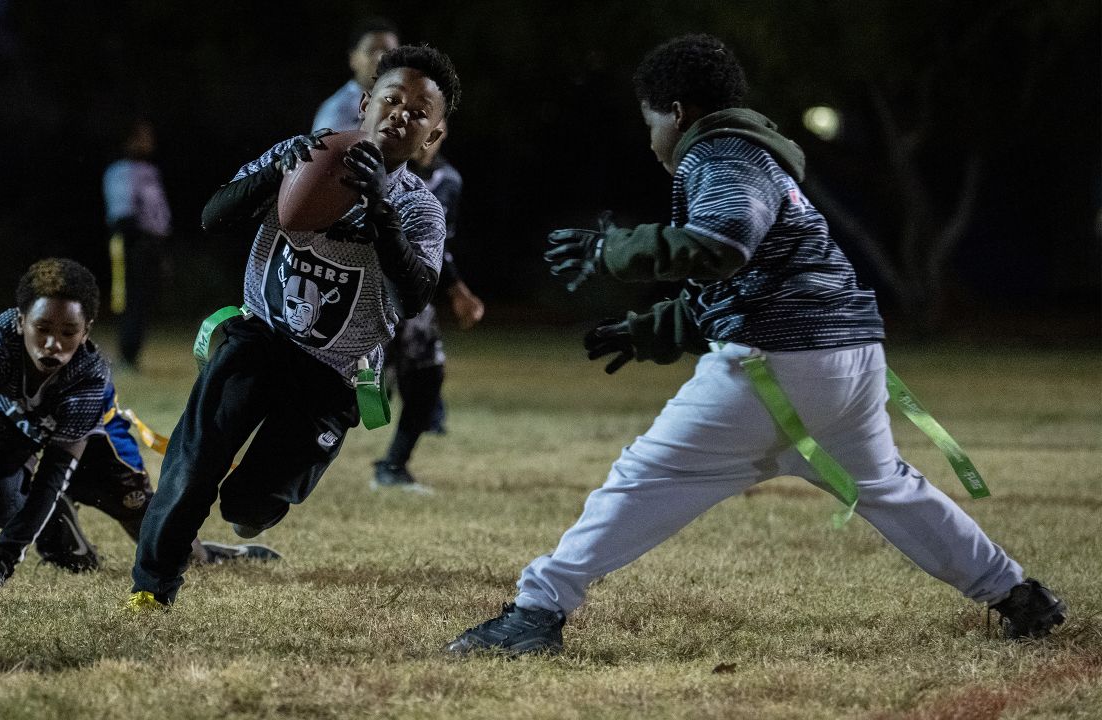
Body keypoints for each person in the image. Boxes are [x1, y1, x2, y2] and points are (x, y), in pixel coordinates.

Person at [445, 34, 1066, 655]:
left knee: (643, 478)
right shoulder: (759, 158)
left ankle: (536, 613)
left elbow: (723, 245)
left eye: (650, 120)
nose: (651, 137)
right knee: (889, 488)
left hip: (781, 364)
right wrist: (653, 330)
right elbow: (751, 276)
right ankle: (1017, 595)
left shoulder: (718, 154)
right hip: (847, 355)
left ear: (677, 112)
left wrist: (614, 249)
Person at [128, 45, 461, 609]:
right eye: (393, 98)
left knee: (249, 506)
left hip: (334, 374)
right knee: (192, 464)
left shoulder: (420, 207)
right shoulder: (300, 152)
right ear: (365, 103)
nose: (402, 112)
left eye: (419, 111)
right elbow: (214, 216)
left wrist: (380, 211)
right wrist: (277, 175)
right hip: (261, 335)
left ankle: (250, 512)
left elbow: (416, 297)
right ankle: (152, 588)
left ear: (431, 136)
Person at [0, 258, 273, 592]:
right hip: (8, 419)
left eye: (68, 333)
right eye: (42, 329)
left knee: (146, 522)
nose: (53, 343)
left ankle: (213, 553)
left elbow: (54, 473)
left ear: (85, 332)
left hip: (93, 439)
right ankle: (66, 539)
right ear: (20, 322)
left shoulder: (89, 377)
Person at [372, 119, 485, 492]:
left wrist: (455, 290)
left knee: (427, 375)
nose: (427, 140)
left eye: (437, 131)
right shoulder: (368, 166)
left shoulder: (447, 181)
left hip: (408, 295)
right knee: (337, 390)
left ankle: (393, 465)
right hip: (357, 291)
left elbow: (439, 245)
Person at [103, 119, 172, 370]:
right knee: (129, 298)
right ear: (129, 140)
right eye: (143, 137)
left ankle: (133, 354)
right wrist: (139, 242)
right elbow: (123, 214)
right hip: (132, 241)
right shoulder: (120, 170)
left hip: (151, 242)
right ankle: (126, 354)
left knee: (144, 300)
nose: (149, 142)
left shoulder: (150, 171)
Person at [312, 18, 399, 133]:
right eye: (371, 51)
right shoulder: (338, 109)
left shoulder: (407, 104)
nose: (380, 58)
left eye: (388, 51)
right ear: (353, 58)